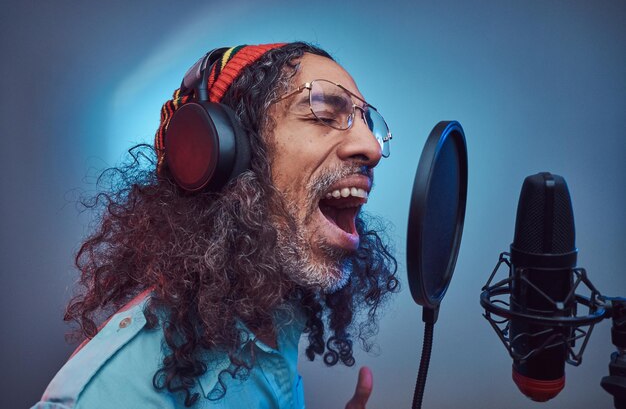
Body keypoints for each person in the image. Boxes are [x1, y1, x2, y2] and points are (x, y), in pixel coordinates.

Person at [32, 42, 399, 409]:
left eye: (368, 123)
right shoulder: (117, 395)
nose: (370, 147)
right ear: (229, 152)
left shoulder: (277, 318)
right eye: (323, 112)